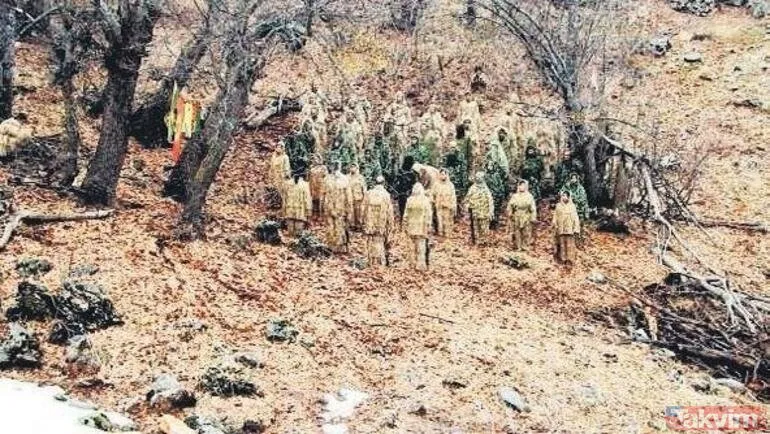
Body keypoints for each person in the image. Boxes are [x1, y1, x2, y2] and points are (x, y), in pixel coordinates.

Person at [362, 176, 395, 267]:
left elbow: (363, 209)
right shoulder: (386, 195)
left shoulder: (368, 194)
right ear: (383, 183)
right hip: (381, 223)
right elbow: (390, 212)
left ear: (374, 183)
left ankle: (370, 262)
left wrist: (363, 221)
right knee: (379, 242)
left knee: (370, 242)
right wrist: (391, 225)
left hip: (370, 222)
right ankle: (379, 263)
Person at [402, 182, 432, 270]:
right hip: (421, 227)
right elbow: (429, 214)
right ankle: (420, 265)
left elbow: (406, 214)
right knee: (421, 248)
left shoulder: (410, 200)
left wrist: (404, 225)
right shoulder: (425, 200)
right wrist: (428, 225)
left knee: (411, 247)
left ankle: (412, 264)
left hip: (411, 227)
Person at [323, 167, 353, 253]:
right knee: (331, 228)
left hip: (340, 209)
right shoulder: (327, 179)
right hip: (330, 208)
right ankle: (332, 247)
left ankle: (340, 248)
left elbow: (348, 197)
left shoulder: (344, 179)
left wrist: (349, 211)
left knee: (340, 228)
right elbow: (323, 195)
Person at [464, 172, 494, 246]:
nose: (478, 179)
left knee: (484, 228)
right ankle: (477, 242)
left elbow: (490, 202)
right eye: (477, 177)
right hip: (475, 212)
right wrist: (467, 206)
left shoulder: (486, 189)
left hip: (484, 213)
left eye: (480, 177)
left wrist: (491, 212)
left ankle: (483, 241)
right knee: (475, 228)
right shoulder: (472, 188)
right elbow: (467, 199)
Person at [507, 180, 537, 251]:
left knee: (526, 232)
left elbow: (533, 208)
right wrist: (510, 213)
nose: (521, 187)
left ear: (526, 187)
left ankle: (525, 246)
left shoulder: (529, 196)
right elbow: (510, 206)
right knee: (517, 232)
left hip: (526, 215)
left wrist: (533, 217)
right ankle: (518, 246)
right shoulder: (515, 196)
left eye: (523, 185)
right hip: (517, 216)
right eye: (520, 185)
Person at [552, 190, 581, 265]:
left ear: (568, 197)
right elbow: (555, 215)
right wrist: (554, 223)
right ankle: (562, 259)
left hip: (569, 228)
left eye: (566, 196)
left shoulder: (572, 206)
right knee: (562, 244)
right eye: (563, 196)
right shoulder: (558, 205)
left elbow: (576, 218)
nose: (564, 197)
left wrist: (576, 228)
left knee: (569, 244)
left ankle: (570, 259)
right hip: (561, 228)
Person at [432, 169, 457, 237]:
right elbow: (432, 194)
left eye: (444, 174)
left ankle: (447, 235)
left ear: (446, 175)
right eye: (441, 174)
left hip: (448, 206)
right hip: (439, 206)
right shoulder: (436, 184)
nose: (442, 176)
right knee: (440, 221)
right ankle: (440, 234)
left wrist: (453, 206)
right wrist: (433, 202)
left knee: (447, 222)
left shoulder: (450, 185)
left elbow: (453, 196)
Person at [348, 163, 367, 230]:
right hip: (350, 197)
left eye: (354, 167)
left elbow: (364, 188)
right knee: (351, 212)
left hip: (358, 197)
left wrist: (365, 197)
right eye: (351, 167)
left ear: (357, 168)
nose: (352, 168)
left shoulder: (360, 177)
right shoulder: (347, 177)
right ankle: (352, 225)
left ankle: (359, 225)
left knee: (358, 212)